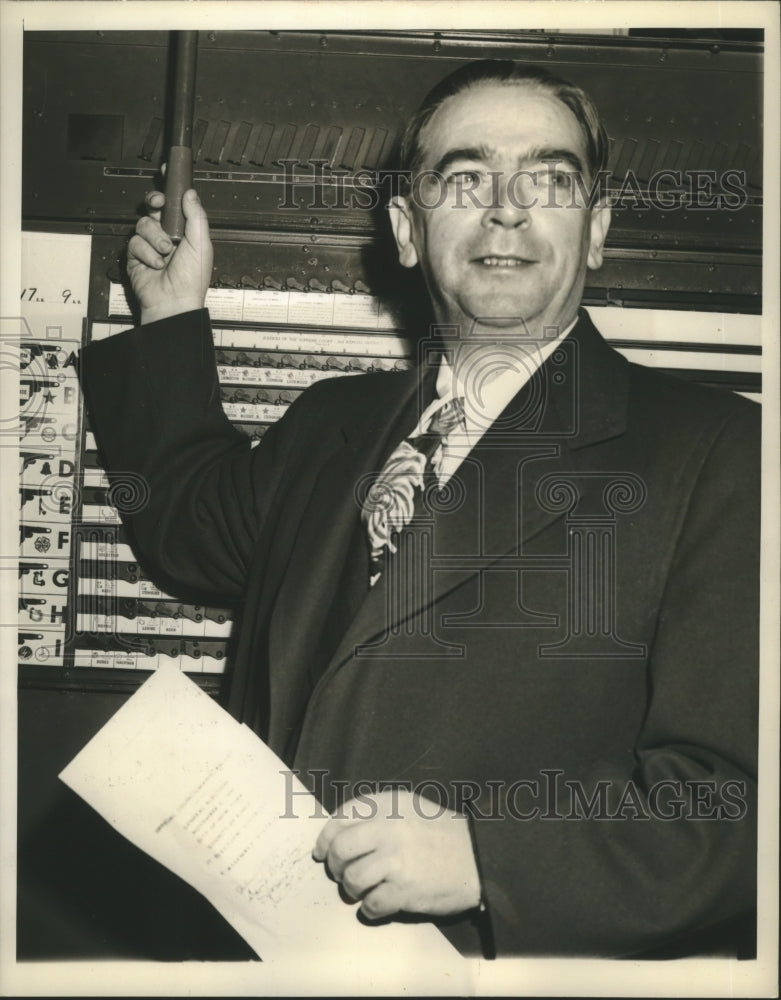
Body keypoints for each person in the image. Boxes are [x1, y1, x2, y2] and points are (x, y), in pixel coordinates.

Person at [79, 61, 759, 958]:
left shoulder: (716, 451)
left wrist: (489, 856)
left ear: (594, 230)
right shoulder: (331, 421)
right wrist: (171, 320)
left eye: (550, 179)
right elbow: (191, 532)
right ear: (407, 229)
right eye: (464, 178)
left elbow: (735, 805)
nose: (506, 208)